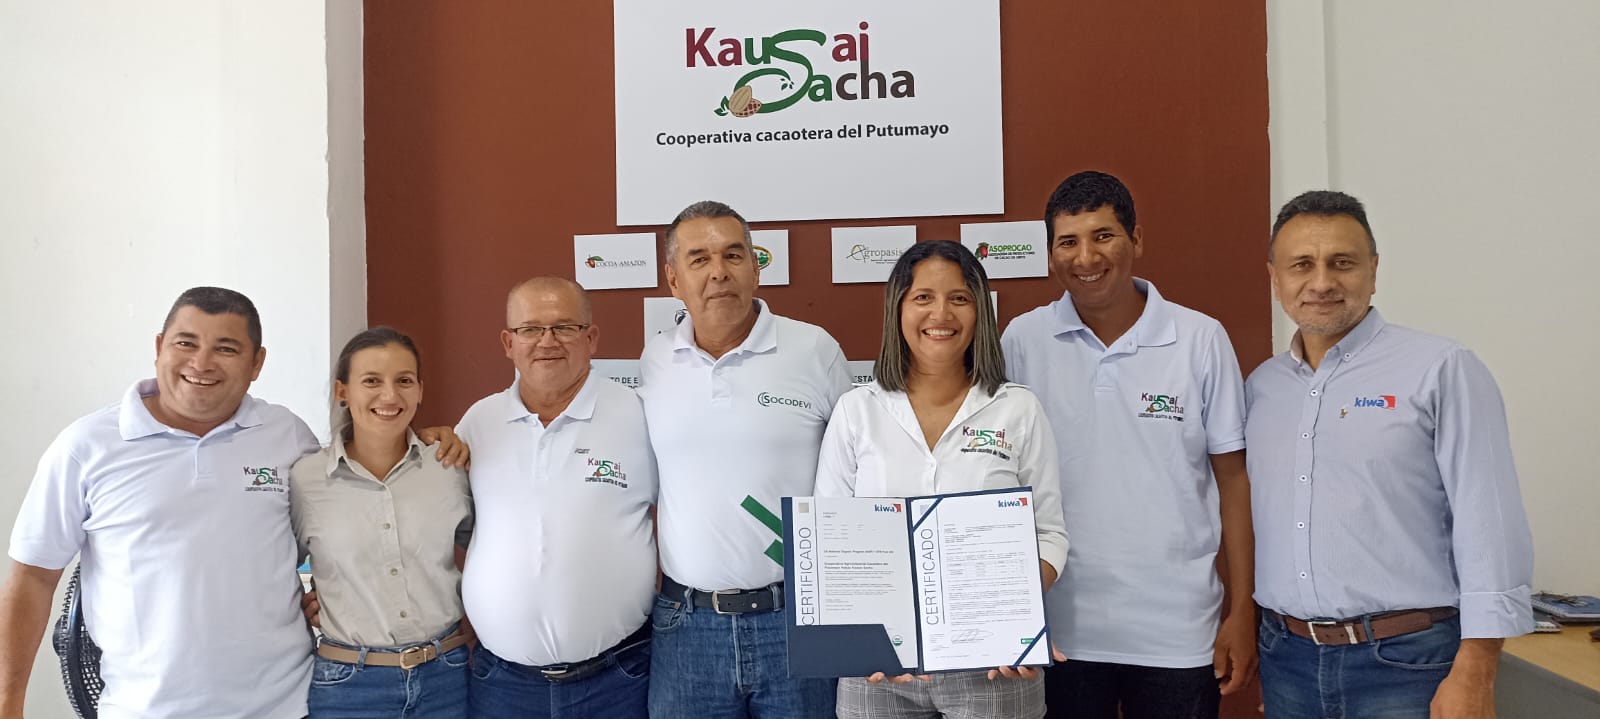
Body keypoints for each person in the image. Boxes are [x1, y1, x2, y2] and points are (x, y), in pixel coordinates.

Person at [0, 286, 464, 719]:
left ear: (257, 362)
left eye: (226, 348)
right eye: (186, 343)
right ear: (159, 346)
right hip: (145, 708)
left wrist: (422, 440)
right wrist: (9, 703)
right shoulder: (85, 447)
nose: (201, 362)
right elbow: (34, 578)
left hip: (285, 704)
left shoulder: (286, 435)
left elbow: (348, 512)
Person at [1247, 190, 1534, 718]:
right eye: (1301, 265)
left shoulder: (1441, 369)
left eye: (1342, 263)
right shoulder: (1262, 388)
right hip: (1287, 659)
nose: (1321, 282)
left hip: (1408, 663)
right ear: (1274, 277)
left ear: (1374, 271)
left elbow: (1490, 523)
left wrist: (1477, 669)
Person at [1001, 171, 1255, 718]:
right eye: (1068, 242)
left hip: (1178, 631)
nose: (1086, 257)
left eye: (1103, 235)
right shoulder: (1021, 340)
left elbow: (1233, 480)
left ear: (1136, 239)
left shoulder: (1200, 339)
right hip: (1056, 631)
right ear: (1049, 253)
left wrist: (1242, 611)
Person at [816, 240, 1069, 719]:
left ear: (980, 311)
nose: (941, 313)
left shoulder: (1018, 408)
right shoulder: (856, 411)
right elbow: (830, 539)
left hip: (992, 664)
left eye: (959, 298)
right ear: (898, 309)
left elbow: (1049, 534)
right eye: (923, 297)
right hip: (878, 668)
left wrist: (1012, 616)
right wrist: (858, 638)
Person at [639, 201, 851, 718]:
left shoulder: (814, 350)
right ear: (673, 280)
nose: (719, 272)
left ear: (756, 268)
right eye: (699, 259)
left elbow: (858, 475)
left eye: (733, 255)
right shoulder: (655, 360)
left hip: (796, 618)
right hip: (688, 625)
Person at [456, 277, 657, 718]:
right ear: (508, 343)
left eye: (565, 327)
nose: (547, 342)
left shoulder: (640, 415)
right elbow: (435, 525)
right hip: (501, 685)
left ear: (592, 338)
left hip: (618, 680)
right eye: (530, 329)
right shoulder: (477, 423)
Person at [289, 327, 473, 717]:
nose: (389, 396)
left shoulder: (449, 467)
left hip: (446, 677)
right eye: (371, 381)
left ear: (420, 391)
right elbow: (274, 566)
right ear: (342, 391)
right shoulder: (306, 480)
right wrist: (303, 602)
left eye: (404, 381)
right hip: (348, 686)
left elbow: (495, 551)